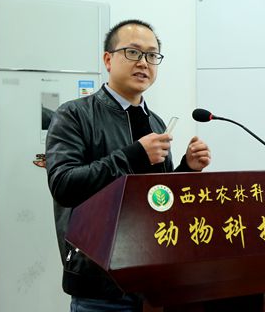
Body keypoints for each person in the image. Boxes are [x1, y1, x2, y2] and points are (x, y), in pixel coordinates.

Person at [46, 19, 211, 312]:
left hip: (154, 283)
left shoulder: (155, 122)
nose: (143, 62)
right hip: (99, 286)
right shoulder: (73, 115)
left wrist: (187, 168)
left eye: (152, 55)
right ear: (108, 59)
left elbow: (159, 197)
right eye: (133, 52)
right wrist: (134, 155)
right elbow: (64, 186)